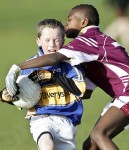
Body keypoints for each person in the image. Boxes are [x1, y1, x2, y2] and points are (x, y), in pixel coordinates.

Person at [5, 4, 129, 150]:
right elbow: (84, 92)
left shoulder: (89, 38)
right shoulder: (91, 52)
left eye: (69, 20)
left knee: (99, 135)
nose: (66, 24)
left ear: (83, 22)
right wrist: (38, 91)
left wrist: (18, 67)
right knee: (90, 145)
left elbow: (55, 58)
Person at [2, 18, 86, 150]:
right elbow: (22, 94)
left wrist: (52, 76)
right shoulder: (30, 66)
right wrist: (7, 96)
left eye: (56, 40)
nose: (52, 45)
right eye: (47, 40)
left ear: (63, 41)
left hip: (67, 121)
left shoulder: (71, 65)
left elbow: (80, 90)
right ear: (38, 41)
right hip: (41, 118)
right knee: (46, 145)